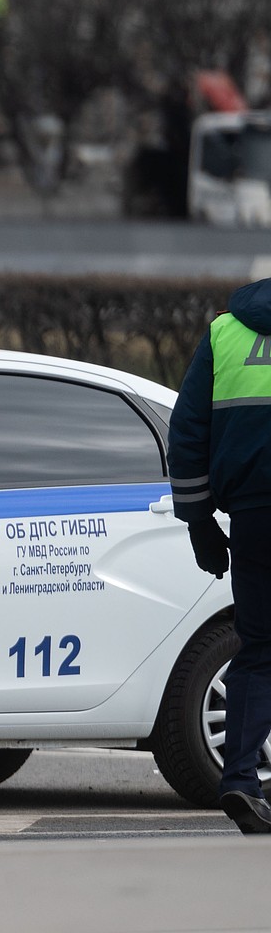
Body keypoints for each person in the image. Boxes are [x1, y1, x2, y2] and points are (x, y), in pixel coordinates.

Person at [169, 278, 271, 834]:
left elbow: (186, 432)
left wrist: (200, 520)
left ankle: (239, 779)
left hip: (253, 517)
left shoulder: (225, 331)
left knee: (258, 650)